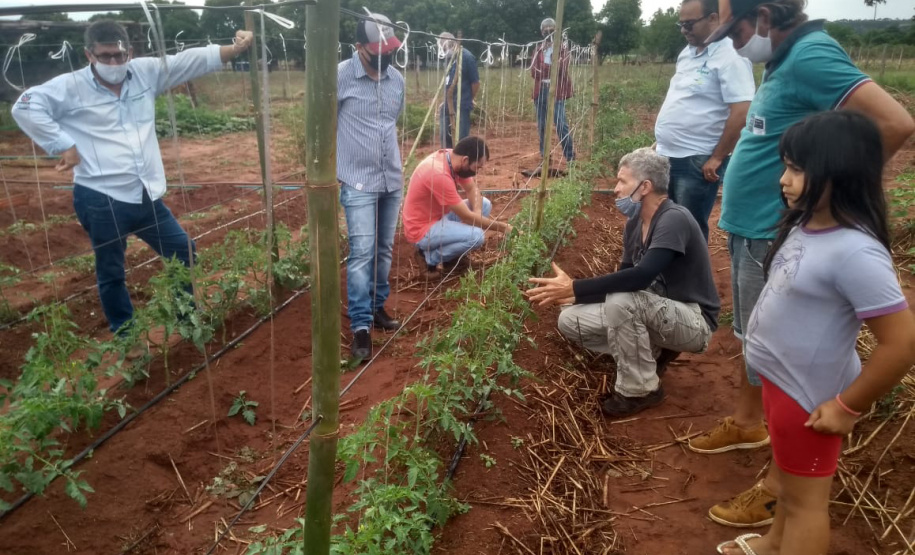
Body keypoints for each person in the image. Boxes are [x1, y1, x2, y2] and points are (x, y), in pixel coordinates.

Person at [690, 0, 915, 530]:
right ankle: (750, 424)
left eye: (739, 30)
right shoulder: (784, 61)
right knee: (757, 337)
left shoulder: (812, 55)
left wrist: (830, 201)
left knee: (788, 353)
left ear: (765, 16)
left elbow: (894, 122)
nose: (735, 42)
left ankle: (777, 489)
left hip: (780, 233)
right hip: (762, 230)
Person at [716, 111, 915, 555]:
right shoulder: (806, 225)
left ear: (841, 169)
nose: (784, 180)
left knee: (808, 503)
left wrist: (848, 406)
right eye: (785, 166)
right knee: (787, 482)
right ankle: (773, 544)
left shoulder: (857, 252)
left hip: (810, 396)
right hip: (781, 383)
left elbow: (901, 344)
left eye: (798, 169)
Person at [11, 20, 253, 335]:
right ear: (89, 55)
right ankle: (126, 334)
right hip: (100, 196)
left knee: (183, 250)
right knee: (112, 271)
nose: (114, 62)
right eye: (106, 56)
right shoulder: (70, 86)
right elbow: (25, 107)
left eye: (119, 55)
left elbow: (187, 61)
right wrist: (64, 145)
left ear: (131, 52)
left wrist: (235, 49)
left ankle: (186, 318)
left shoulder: (144, 72)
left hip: (145, 193)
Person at [526, 148, 720, 417]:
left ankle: (640, 389)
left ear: (645, 187)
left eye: (622, 181)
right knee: (570, 320)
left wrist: (575, 287)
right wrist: (575, 297)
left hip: (693, 321)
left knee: (621, 301)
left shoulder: (673, 218)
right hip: (656, 312)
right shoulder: (633, 225)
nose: (615, 189)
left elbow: (640, 278)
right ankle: (648, 354)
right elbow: (627, 279)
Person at [655, 0, 755, 242]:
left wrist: (718, 157)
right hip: (667, 156)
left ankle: (691, 278)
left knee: (689, 228)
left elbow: (742, 110)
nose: (683, 30)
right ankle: (666, 276)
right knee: (665, 221)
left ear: (713, 19)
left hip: (696, 161)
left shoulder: (731, 55)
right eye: (681, 24)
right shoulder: (687, 54)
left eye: (689, 24)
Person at [337, 12, 405, 361]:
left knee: (383, 250)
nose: (385, 54)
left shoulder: (397, 80)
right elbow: (322, 123)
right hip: (358, 182)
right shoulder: (340, 77)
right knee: (361, 253)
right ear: (359, 47)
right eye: (377, 48)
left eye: (389, 47)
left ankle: (378, 307)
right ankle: (361, 327)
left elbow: (392, 123)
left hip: (391, 178)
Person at [402, 136, 511, 275]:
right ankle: (429, 257)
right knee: (476, 237)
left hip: (440, 216)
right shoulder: (438, 173)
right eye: (477, 167)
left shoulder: (452, 158)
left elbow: (472, 189)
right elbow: (465, 215)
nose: (477, 172)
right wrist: (503, 227)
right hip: (422, 230)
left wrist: (477, 214)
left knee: (484, 204)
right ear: (465, 160)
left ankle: (451, 259)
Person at [531, 18, 574, 164]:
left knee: (561, 124)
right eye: (545, 30)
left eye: (551, 30)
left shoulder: (562, 49)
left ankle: (570, 157)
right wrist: (551, 68)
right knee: (542, 126)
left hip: (556, 91)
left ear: (556, 31)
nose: (548, 33)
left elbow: (562, 68)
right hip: (540, 91)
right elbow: (533, 72)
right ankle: (545, 157)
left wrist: (545, 69)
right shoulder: (538, 49)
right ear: (541, 31)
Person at [438, 32, 480, 148]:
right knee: (445, 140)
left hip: (462, 105)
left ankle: (460, 164)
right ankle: (447, 163)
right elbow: (448, 81)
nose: (443, 49)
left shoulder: (467, 57)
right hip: (447, 105)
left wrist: (469, 98)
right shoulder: (447, 58)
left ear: (451, 43)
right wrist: (445, 100)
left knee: (461, 141)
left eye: (444, 45)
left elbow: (475, 83)